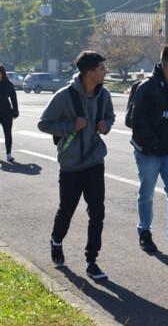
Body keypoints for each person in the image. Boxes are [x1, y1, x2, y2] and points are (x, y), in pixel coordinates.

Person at [38, 51, 115, 280]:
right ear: (89, 73)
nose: (106, 72)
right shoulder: (64, 96)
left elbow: (110, 117)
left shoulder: (104, 95)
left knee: (98, 213)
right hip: (71, 166)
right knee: (67, 210)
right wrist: (71, 126)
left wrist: (105, 126)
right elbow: (44, 123)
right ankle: (56, 241)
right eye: (102, 68)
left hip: (95, 163)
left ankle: (92, 261)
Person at [130, 45, 168, 255]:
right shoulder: (147, 88)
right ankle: (144, 232)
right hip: (147, 149)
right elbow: (136, 121)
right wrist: (153, 143)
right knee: (146, 193)